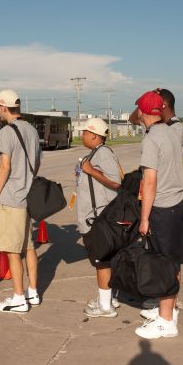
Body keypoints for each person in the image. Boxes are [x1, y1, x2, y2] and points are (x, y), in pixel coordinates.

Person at [132, 90, 183, 340]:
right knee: (173, 261)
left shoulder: (152, 139)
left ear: (143, 112)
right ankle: (169, 310)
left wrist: (144, 218)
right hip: (178, 202)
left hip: (163, 207)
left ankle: (166, 321)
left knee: (163, 264)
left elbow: (150, 182)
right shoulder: (171, 131)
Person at [0, 89, 41, 313]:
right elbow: (36, 163)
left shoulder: (7, 132)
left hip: (12, 198)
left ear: (3, 107)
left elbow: (4, 167)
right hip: (29, 196)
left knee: (12, 250)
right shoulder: (31, 130)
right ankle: (33, 292)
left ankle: (19, 297)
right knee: (28, 247)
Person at [76, 118, 122, 318]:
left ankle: (105, 306)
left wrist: (90, 171)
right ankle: (108, 297)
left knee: (101, 261)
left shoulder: (103, 154)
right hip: (95, 217)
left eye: (85, 132)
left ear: (95, 135)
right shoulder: (96, 153)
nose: (81, 135)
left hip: (98, 218)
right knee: (105, 261)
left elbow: (116, 182)